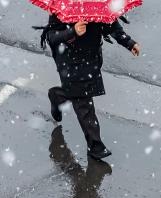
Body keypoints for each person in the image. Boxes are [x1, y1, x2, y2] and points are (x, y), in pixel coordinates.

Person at [37, 14, 141, 159]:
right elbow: (52, 37)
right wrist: (72, 31)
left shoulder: (97, 7)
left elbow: (112, 25)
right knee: (83, 103)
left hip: (91, 60)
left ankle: (57, 96)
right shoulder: (62, 10)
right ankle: (95, 146)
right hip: (69, 62)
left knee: (79, 95)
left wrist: (129, 43)